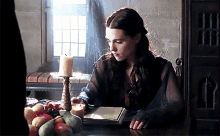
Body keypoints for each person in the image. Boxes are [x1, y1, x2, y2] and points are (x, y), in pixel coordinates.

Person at [71, 7, 184, 130]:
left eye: (119, 42)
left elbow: (177, 104)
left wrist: (151, 115)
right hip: (110, 132)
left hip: (144, 132)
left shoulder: (162, 68)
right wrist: (82, 99)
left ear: (137, 37)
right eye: (109, 41)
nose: (112, 48)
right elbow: (90, 91)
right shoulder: (104, 64)